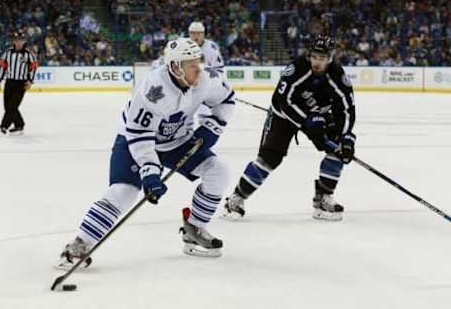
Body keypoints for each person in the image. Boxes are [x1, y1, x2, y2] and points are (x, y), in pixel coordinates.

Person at [56, 38, 236, 269]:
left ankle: (194, 229)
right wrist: (150, 173)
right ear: (175, 67)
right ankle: (80, 244)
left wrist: (211, 128)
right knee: (125, 191)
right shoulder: (153, 90)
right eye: (192, 64)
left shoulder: (206, 78)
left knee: (218, 172)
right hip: (135, 139)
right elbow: (140, 135)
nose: (198, 69)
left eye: (198, 62)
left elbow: (226, 99)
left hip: (178, 140)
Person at [222, 34, 356, 222]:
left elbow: (347, 109)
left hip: (320, 115)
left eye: (323, 58)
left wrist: (346, 137)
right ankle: (236, 199)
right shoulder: (296, 69)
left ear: (331, 57)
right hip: (283, 115)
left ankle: (323, 198)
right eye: (315, 57)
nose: (317, 62)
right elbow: (282, 100)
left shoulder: (338, 77)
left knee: (338, 148)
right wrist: (307, 121)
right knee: (269, 158)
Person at [0, 30, 38, 135]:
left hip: (21, 84)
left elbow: (34, 67)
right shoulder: (7, 53)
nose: (19, 42)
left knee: (13, 106)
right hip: (9, 82)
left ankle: (4, 126)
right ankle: (19, 124)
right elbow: (2, 67)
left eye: (21, 40)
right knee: (7, 106)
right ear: (13, 41)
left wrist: (30, 81)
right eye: (17, 40)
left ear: (24, 41)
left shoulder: (29, 54)